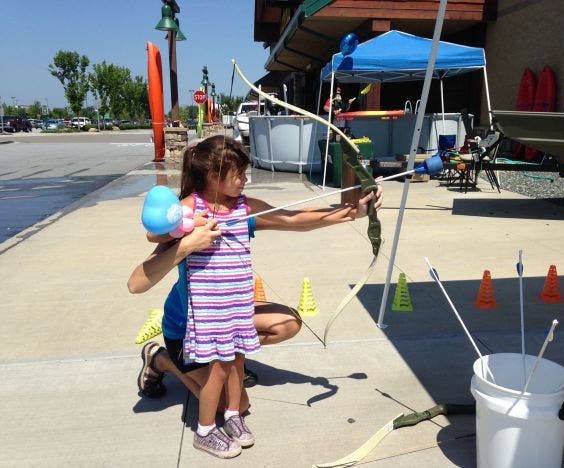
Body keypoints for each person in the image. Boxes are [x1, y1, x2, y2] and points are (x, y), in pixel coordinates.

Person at [128, 135, 383, 459]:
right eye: (239, 173)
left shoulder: (243, 208)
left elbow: (293, 219)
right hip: (190, 326)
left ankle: (226, 372)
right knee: (219, 398)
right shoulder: (191, 211)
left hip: (228, 313)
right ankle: (161, 359)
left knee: (284, 326)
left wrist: (352, 212)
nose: (246, 180)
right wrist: (188, 241)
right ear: (213, 176)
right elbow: (138, 277)